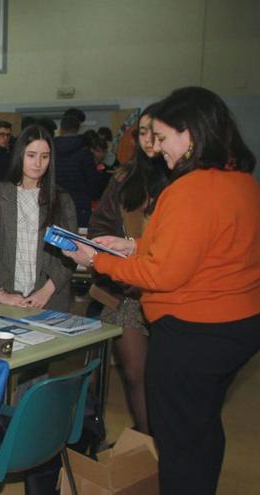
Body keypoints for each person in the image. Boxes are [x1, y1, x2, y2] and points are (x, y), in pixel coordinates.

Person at [65, 87, 260, 495]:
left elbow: (160, 275)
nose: (159, 149)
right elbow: (205, 249)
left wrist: (97, 260)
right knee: (202, 425)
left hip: (193, 332)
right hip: (239, 325)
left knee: (178, 439)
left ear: (190, 136)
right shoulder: (242, 183)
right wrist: (134, 246)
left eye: (165, 138)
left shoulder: (189, 190)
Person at [87, 103, 169, 434]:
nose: (149, 140)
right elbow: (98, 228)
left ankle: (164, 447)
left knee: (165, 378)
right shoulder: (124, 178)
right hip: (128, 291)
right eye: (143, 133)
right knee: (135, 373)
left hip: (173, 292)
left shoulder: (186, 178)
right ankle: (147, 443)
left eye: (156, 132)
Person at [0, 124, 77, 310]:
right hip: (0, 296)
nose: (38, 163)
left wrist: (46, 291)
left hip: (48, 298)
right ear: (19, 154)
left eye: (44, 157)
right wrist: (1, 292)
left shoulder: (62, 200)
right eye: (31, 155)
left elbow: (70, 254)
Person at [54, 113, 97, 227]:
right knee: (79, 241)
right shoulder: (85, 152)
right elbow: (93, 182)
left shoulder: (50, 150)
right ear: (79, 128)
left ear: (61, 129)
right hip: (80, 204)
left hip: (55, 203)